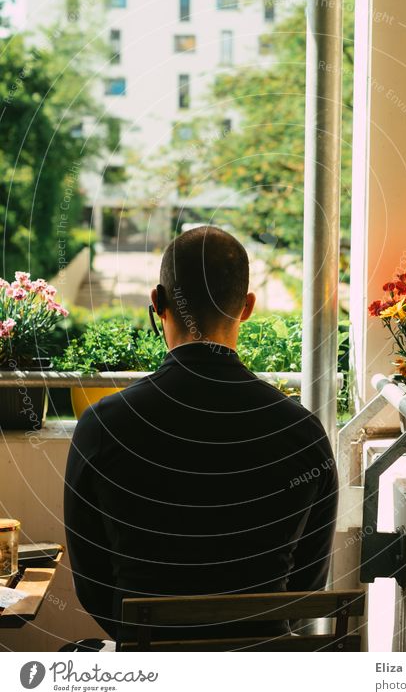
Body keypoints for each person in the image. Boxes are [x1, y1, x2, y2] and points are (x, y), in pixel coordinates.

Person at [64, 225, 338, 644]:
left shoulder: (104, 426)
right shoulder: (302, 432)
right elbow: (307, 584)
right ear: (247, 307)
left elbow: (92, 583)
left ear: (157, 302)